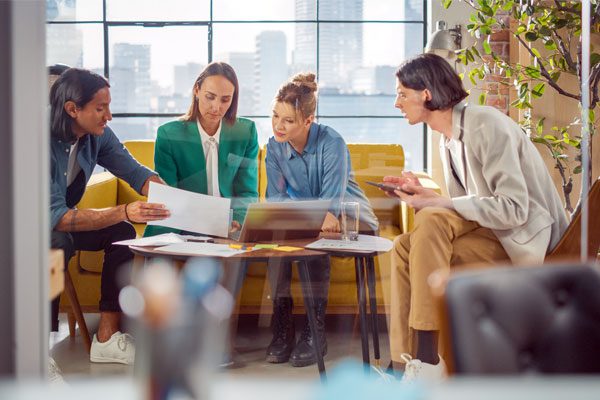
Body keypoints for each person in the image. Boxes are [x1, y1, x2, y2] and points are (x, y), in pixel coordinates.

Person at [384, 53, 568, 381]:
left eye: (401, 93)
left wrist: (437, 204)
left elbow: (514, 208)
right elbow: (466, 206)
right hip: (492, 233)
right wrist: (427, 197)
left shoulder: (486, 124)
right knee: (402, 246)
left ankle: (425, 360)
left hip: (524, 240)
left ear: (426, 93)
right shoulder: (446, 139)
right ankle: (408, 361)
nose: (397, 103)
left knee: (430, 221)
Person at [50, 68, 170, 365]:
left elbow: (136, 173)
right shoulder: (39, 138)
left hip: (60, 220)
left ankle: (106, 338)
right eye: (100, 108)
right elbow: (56, 217)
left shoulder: (96, 136)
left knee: (122, 231)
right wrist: (124, 209)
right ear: (72, 109)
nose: (109, 115)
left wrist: (175, 202)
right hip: (27, 225)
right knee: (55, 244)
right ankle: (37, 353)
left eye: (109, 106)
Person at [265, 72, 379, 367]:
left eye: (288, 120)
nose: (279, 125)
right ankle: (282, 324)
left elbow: (332, 199)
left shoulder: (332, 142)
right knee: (278, 242)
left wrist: (305, 218)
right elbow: (275, 200)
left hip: (348, 215)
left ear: (308, 120)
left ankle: (314, 330)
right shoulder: (275, 147)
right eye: (275, 116)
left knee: (318, 239)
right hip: (310, 217)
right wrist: (288, 219)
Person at [144, 61, 258, 238]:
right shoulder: (168, 134)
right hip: (185, 226)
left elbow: (247, 191)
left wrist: (237, 220)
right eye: (210, 97)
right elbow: (168, 196)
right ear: (197, 91)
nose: (216, 107)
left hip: (230, 229)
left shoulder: (246, 132)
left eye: (225, 100)